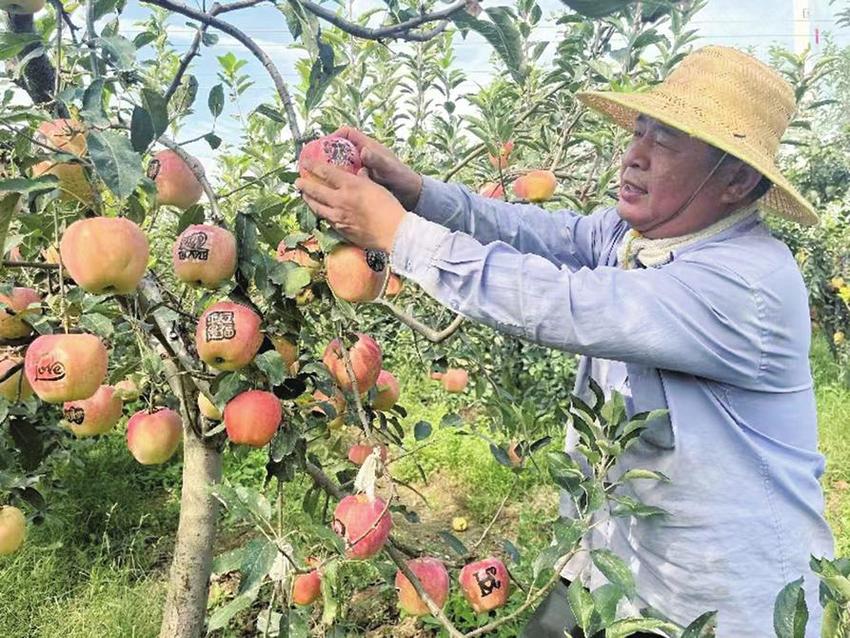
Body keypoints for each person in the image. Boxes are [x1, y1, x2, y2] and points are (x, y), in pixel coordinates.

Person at [295, 45, 835, 637]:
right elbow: (539, 233)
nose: (634, 156)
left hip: (718, 603)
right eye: (641, 132)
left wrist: (399, 234)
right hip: (611, 565)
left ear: (735, 179)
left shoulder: (745, 283)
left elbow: (564, 303)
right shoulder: (636, 236)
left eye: (666, 142)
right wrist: (417, 192)